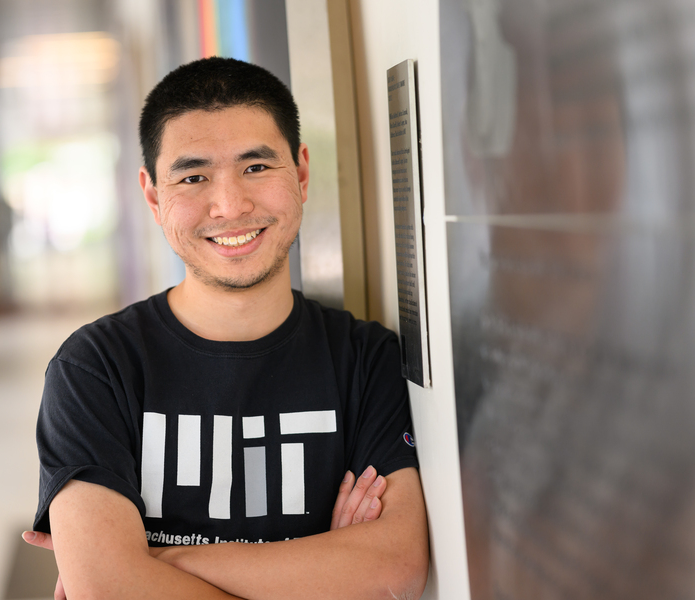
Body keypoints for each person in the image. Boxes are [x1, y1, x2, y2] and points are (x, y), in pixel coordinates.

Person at [22, 56, 429, 600]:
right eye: (193, 177)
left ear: (301, 173)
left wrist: (156, 561)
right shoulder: (96, 367)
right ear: (153, 195)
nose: (231, 206)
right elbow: (109, 589)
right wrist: (323, 572)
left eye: (256, 167)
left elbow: (394, 567)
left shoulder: (366, 359)